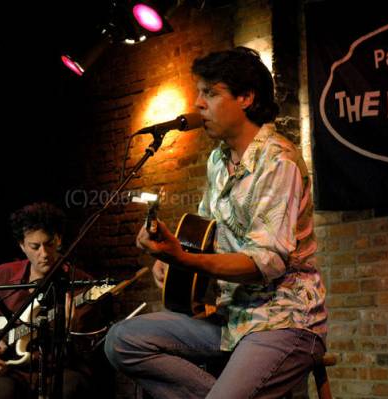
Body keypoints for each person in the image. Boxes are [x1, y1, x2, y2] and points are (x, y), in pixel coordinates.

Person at [104, 47, 328, 398]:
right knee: (122, 340)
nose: (198, 104)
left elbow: (264, 262)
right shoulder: (217, 161)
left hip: (284, 321)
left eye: (210, 92)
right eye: (198, 92)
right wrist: (169, 257)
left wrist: (185, 259)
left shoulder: (278, 161)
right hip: (230, 317)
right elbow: (203, 236)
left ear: (245, 97)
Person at [0, 202, 97, 399]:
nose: (44, 254)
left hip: (60, 369)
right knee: (0, 394)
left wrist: (70, 326)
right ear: (22, 246)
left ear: (59, 240)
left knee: (70, 389)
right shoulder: (4, 274)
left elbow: (88, 347)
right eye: (35, 246)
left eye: (49, 244)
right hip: (11, 371)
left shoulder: (82, 284)